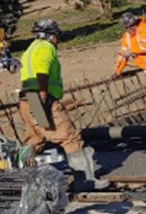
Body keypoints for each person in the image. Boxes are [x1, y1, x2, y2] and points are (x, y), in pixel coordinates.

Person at [18, 19, 98, 184]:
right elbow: (42, 71)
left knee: (35, 139)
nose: (57, 40)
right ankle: (85, 180)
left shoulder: (30, 49)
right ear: (49, 36)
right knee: (69, 138)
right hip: (41, 99)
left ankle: (22, 177)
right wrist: (43, 98)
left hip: (26, 99)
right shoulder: (45, 48)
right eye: (56, 36)